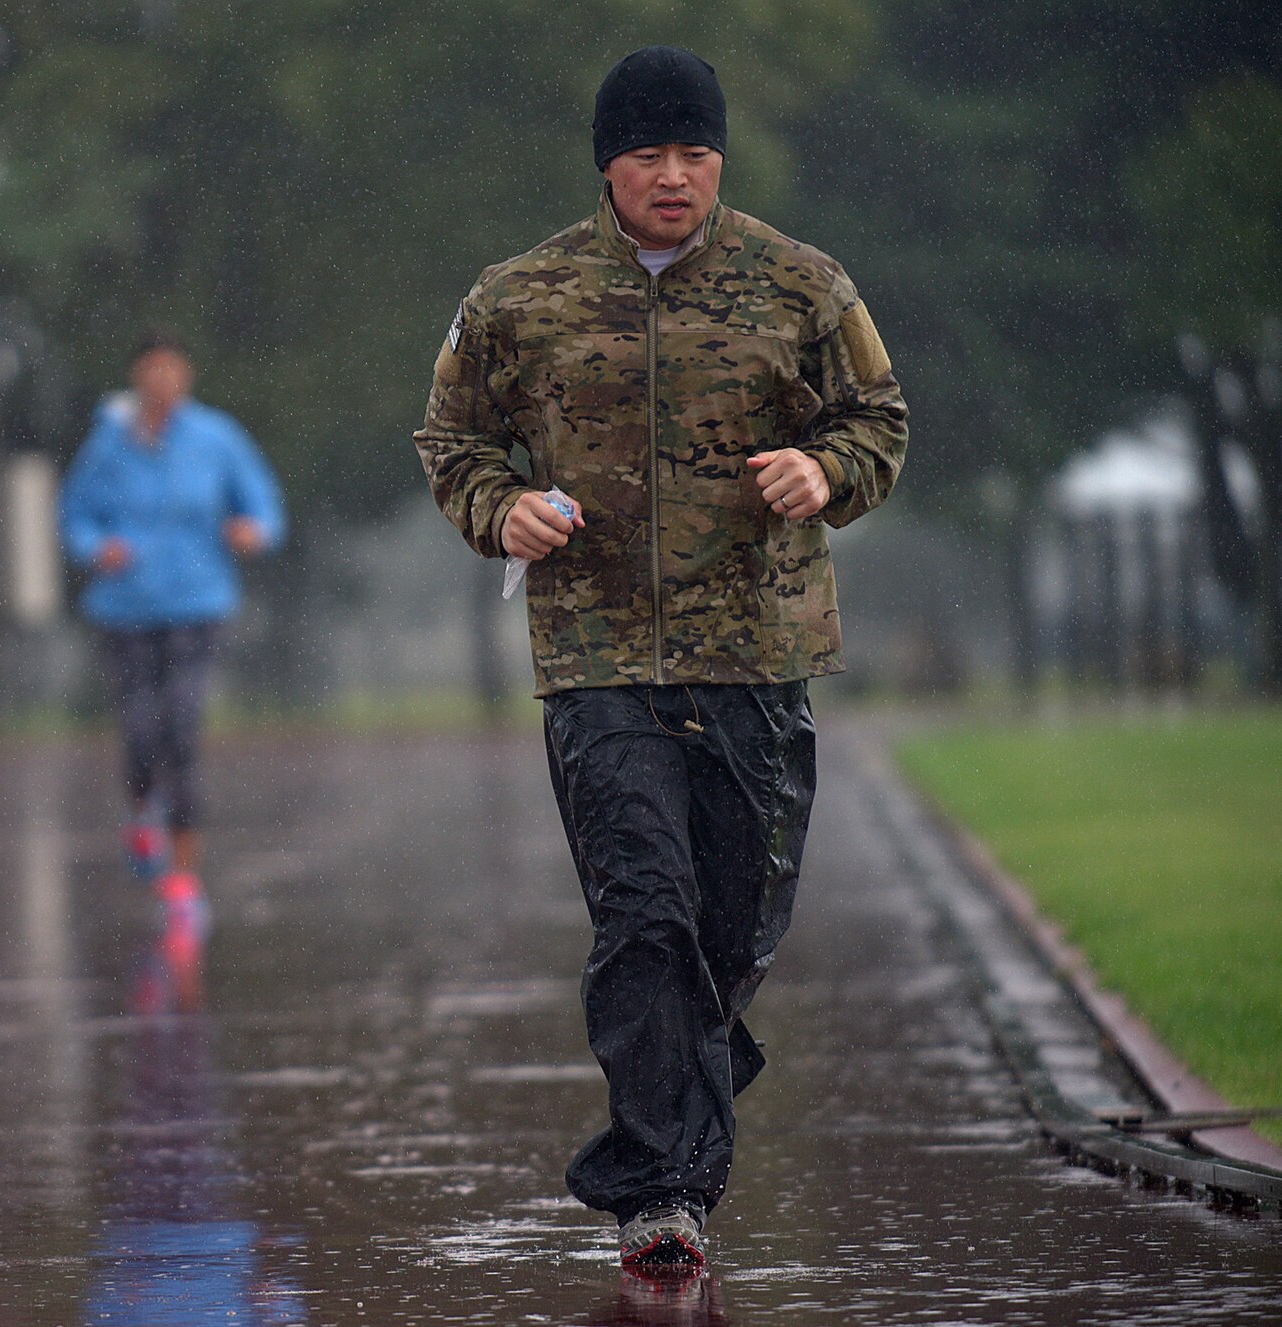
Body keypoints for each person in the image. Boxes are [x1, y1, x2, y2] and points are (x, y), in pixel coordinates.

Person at [413, 46, 907, 1270]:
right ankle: (663, 1196)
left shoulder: (800, 283)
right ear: (607, 165)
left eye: (694, 153)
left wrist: (823, 471)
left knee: (731, 926)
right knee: (643, 915)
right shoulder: (517, 297)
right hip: (596, 662)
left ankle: (687, 1053)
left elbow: (877, 421)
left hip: (756, 652)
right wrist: (500, 511)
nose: (673, 176)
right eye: (647, 155)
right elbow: (450, 438)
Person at [59, 331, 285, 917]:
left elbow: (262, 504)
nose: (163, 383)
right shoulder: (108, 444)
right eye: (152, 371)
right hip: (125, 610)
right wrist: (94, 547)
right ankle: (141, 809)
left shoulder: (216, 438)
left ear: (185, 376)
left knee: (182, 728)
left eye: (173, 371)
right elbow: (75, 513)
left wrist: (251, 530)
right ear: (137, 377)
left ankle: (184, 878)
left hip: (198, 606)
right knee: (138, 730)